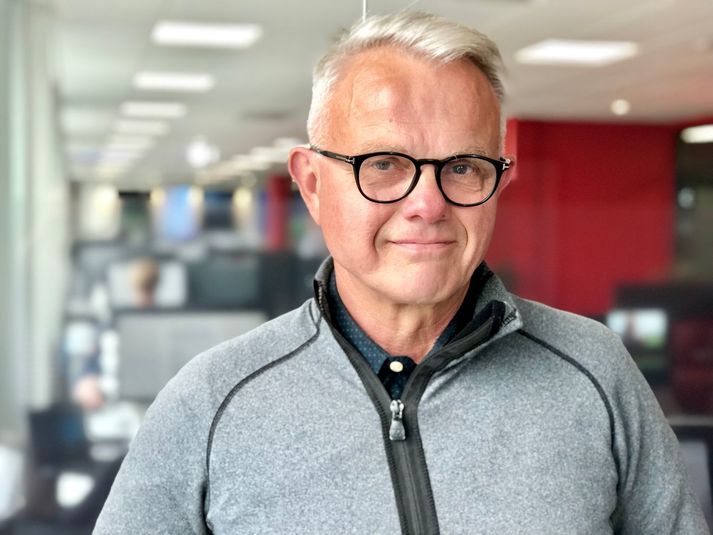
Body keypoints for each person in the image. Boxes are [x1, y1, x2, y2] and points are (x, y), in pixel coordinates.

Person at [94, 12, 708, 534]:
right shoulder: (209, 403)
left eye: (463, 167)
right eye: (384, 163)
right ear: (312, 184)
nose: (428, 204)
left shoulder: (595, 373)